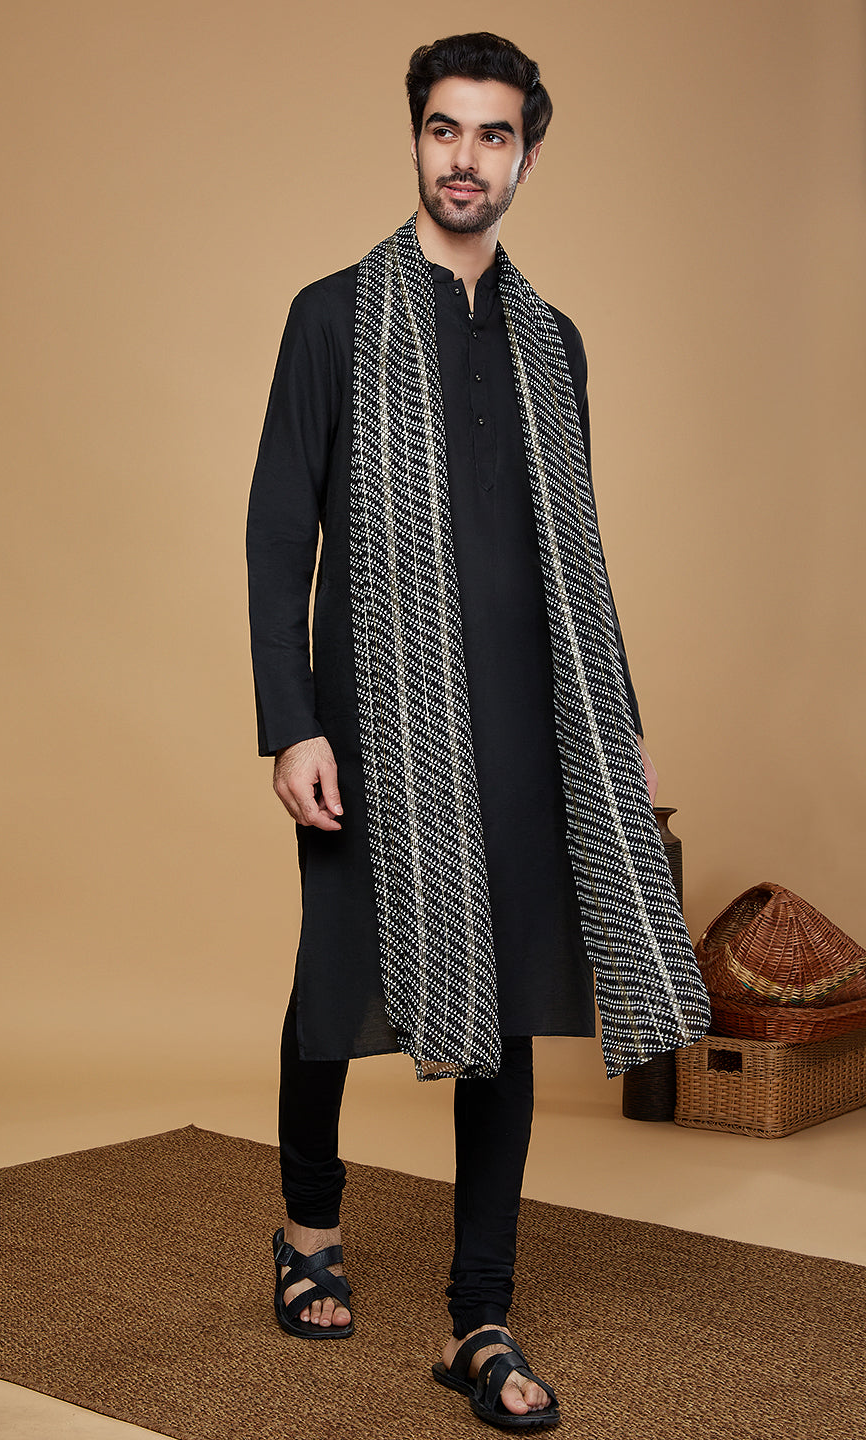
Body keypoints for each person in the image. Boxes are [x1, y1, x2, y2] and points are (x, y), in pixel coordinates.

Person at [246, 32, 709, 1432]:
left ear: (527, 156)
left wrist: (619, 725)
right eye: (445, 129)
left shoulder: (553, 342)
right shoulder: (332, 316)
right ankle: (309, 1231)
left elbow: (581, 554)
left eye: (493, 134)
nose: (466, 157)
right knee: (337, 980)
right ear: (416, 140)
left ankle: (479, 1316)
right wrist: (291, 723)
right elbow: (277, 534)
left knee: (501, 1004)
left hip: (526, 719)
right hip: (373, 720)